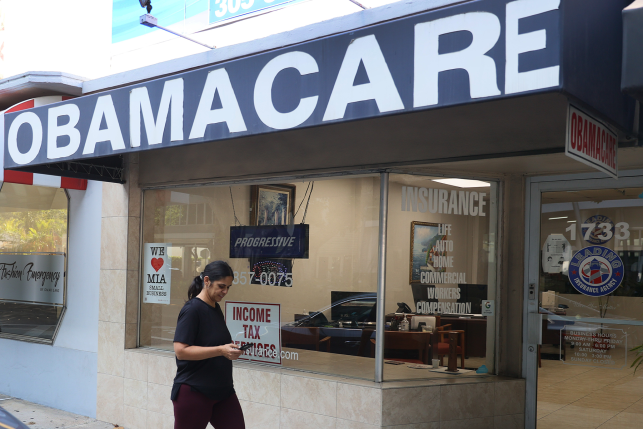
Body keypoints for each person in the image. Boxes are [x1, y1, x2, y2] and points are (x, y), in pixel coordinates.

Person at [171, 260, 245, 429]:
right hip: (194, 392)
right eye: (221, 286)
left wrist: (229, 349)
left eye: (228, 287)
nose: (225, 291)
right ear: (206, 281)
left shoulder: (215, 308)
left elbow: (213, 342)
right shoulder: (192, 310)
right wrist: (220, 350)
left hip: (224, 391)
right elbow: (181, 351)